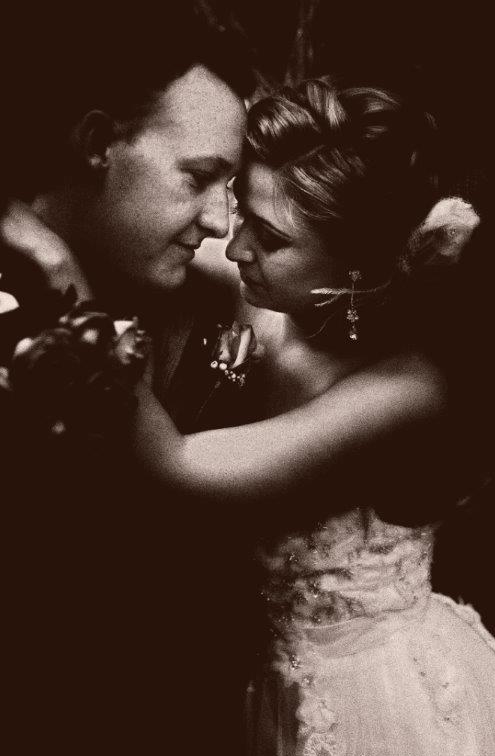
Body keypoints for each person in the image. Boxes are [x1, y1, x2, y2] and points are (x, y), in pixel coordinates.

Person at [127, 79, 495, 754]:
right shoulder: (270, 288)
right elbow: (145, 236)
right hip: (261, 678)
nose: (235, 248)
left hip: (372, 695)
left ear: (356, 268)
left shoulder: (407, 388)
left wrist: (88, 335)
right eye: (242, 215)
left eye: (268, 238)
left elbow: (181, 467)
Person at [0, 13, 255, 752]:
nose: (220, 221)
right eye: (198, 177)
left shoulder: (204, 297)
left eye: (230, 185)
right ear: (96, 144)